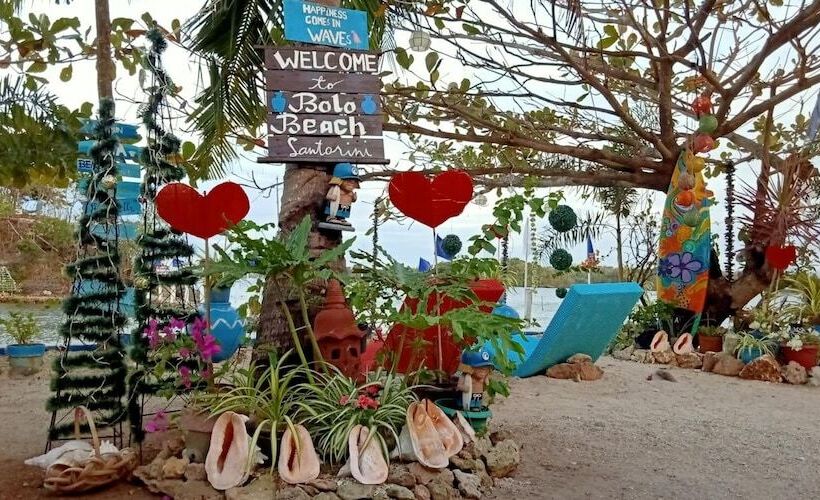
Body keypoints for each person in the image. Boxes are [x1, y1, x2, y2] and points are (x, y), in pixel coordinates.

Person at [324, 162, 360, 227]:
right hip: (334, 207)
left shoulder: (351, 192)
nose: (351, 183)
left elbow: (353, 200)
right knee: (334, 211)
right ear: (339, 180)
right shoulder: (335, 189)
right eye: (348, 181)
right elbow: (328, 196)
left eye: (354, 182)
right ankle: (331, 217)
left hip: (345, 207)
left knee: (343, 212)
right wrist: (332, 197)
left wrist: (354, 198)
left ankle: (342, 218)